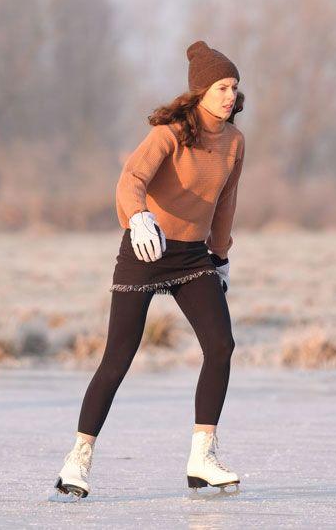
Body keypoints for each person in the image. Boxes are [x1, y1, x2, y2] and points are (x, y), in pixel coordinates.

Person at [54, 40, 246, 500]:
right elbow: (131, 179)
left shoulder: (234, 142)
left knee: (221, 345)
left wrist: (220, 257)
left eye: (234, 87)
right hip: (147, 247)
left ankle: (202, 458)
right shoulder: (169, 133)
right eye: (221, 86)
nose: (230, 95)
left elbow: (225, 203)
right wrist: (137, 216)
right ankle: (77, 460)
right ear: (200, 91)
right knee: (118, 358)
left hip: (193, 256)